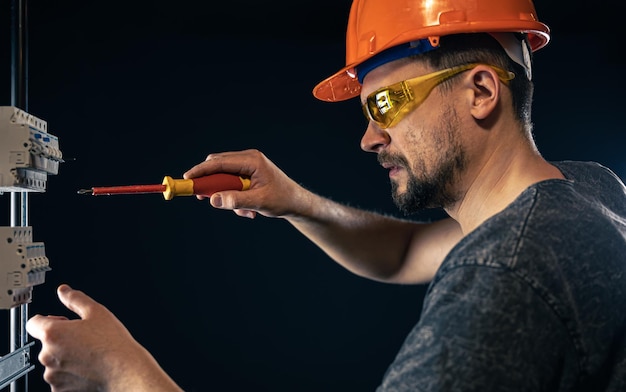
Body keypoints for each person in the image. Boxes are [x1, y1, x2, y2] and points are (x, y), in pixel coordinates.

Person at [26, 0, 626, 390]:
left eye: (387, 104)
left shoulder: (502, 277)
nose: (368, 138)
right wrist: (293, 200)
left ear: (480, 91)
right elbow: (402, 255)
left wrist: (122, 374)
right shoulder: (584, 192)